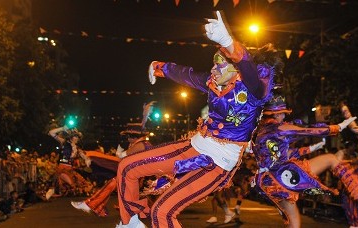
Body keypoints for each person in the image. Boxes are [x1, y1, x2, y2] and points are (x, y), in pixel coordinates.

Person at [116, 11, 280, 227]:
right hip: (195, 146)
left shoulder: (253, 91)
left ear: (236, 70)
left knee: (161, 213)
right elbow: (187, 74)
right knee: (127, 167)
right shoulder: (212, 82)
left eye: (220, 63)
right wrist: (159, 67)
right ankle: (131, 223)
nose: (214, 68)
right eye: (214, 63)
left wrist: (228, 42)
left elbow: (248, 67)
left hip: (217, 164)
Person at [252, 96, 358, 228]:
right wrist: (338, 127)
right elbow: (309, 131)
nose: (283, 116)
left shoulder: (262, 133)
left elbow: (285, 154)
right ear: (275, 115)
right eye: (282, 113)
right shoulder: (280, 128)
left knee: (293, 224)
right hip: (280, 177)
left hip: (269, 182)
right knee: (330, 159)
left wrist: (311, 148)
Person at [71, 102, 156, 217]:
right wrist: (145, 115)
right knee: (113, 184)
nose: (127, 138)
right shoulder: (141, 142)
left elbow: (122, 156)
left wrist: (117, 152)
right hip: (136, 175)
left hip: (138, 177)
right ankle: (96, 206)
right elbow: (141, 127)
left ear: (132, 136)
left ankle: (93, 205)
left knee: (114, 183)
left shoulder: (140, 145)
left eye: (128, 136)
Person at [48, 125, 93, 197]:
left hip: (70, 169)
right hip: (62, 168)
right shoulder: (64, 142)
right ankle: (55, 189)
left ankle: (56, 191)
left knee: (82, 184)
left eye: (78, 137)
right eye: (75, 136)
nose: (77, 138)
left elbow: (84, 156)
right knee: (69, 184)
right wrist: (62, 128)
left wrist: (87, 159)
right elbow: (51, 132)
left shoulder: (77, 148)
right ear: (71, 137)